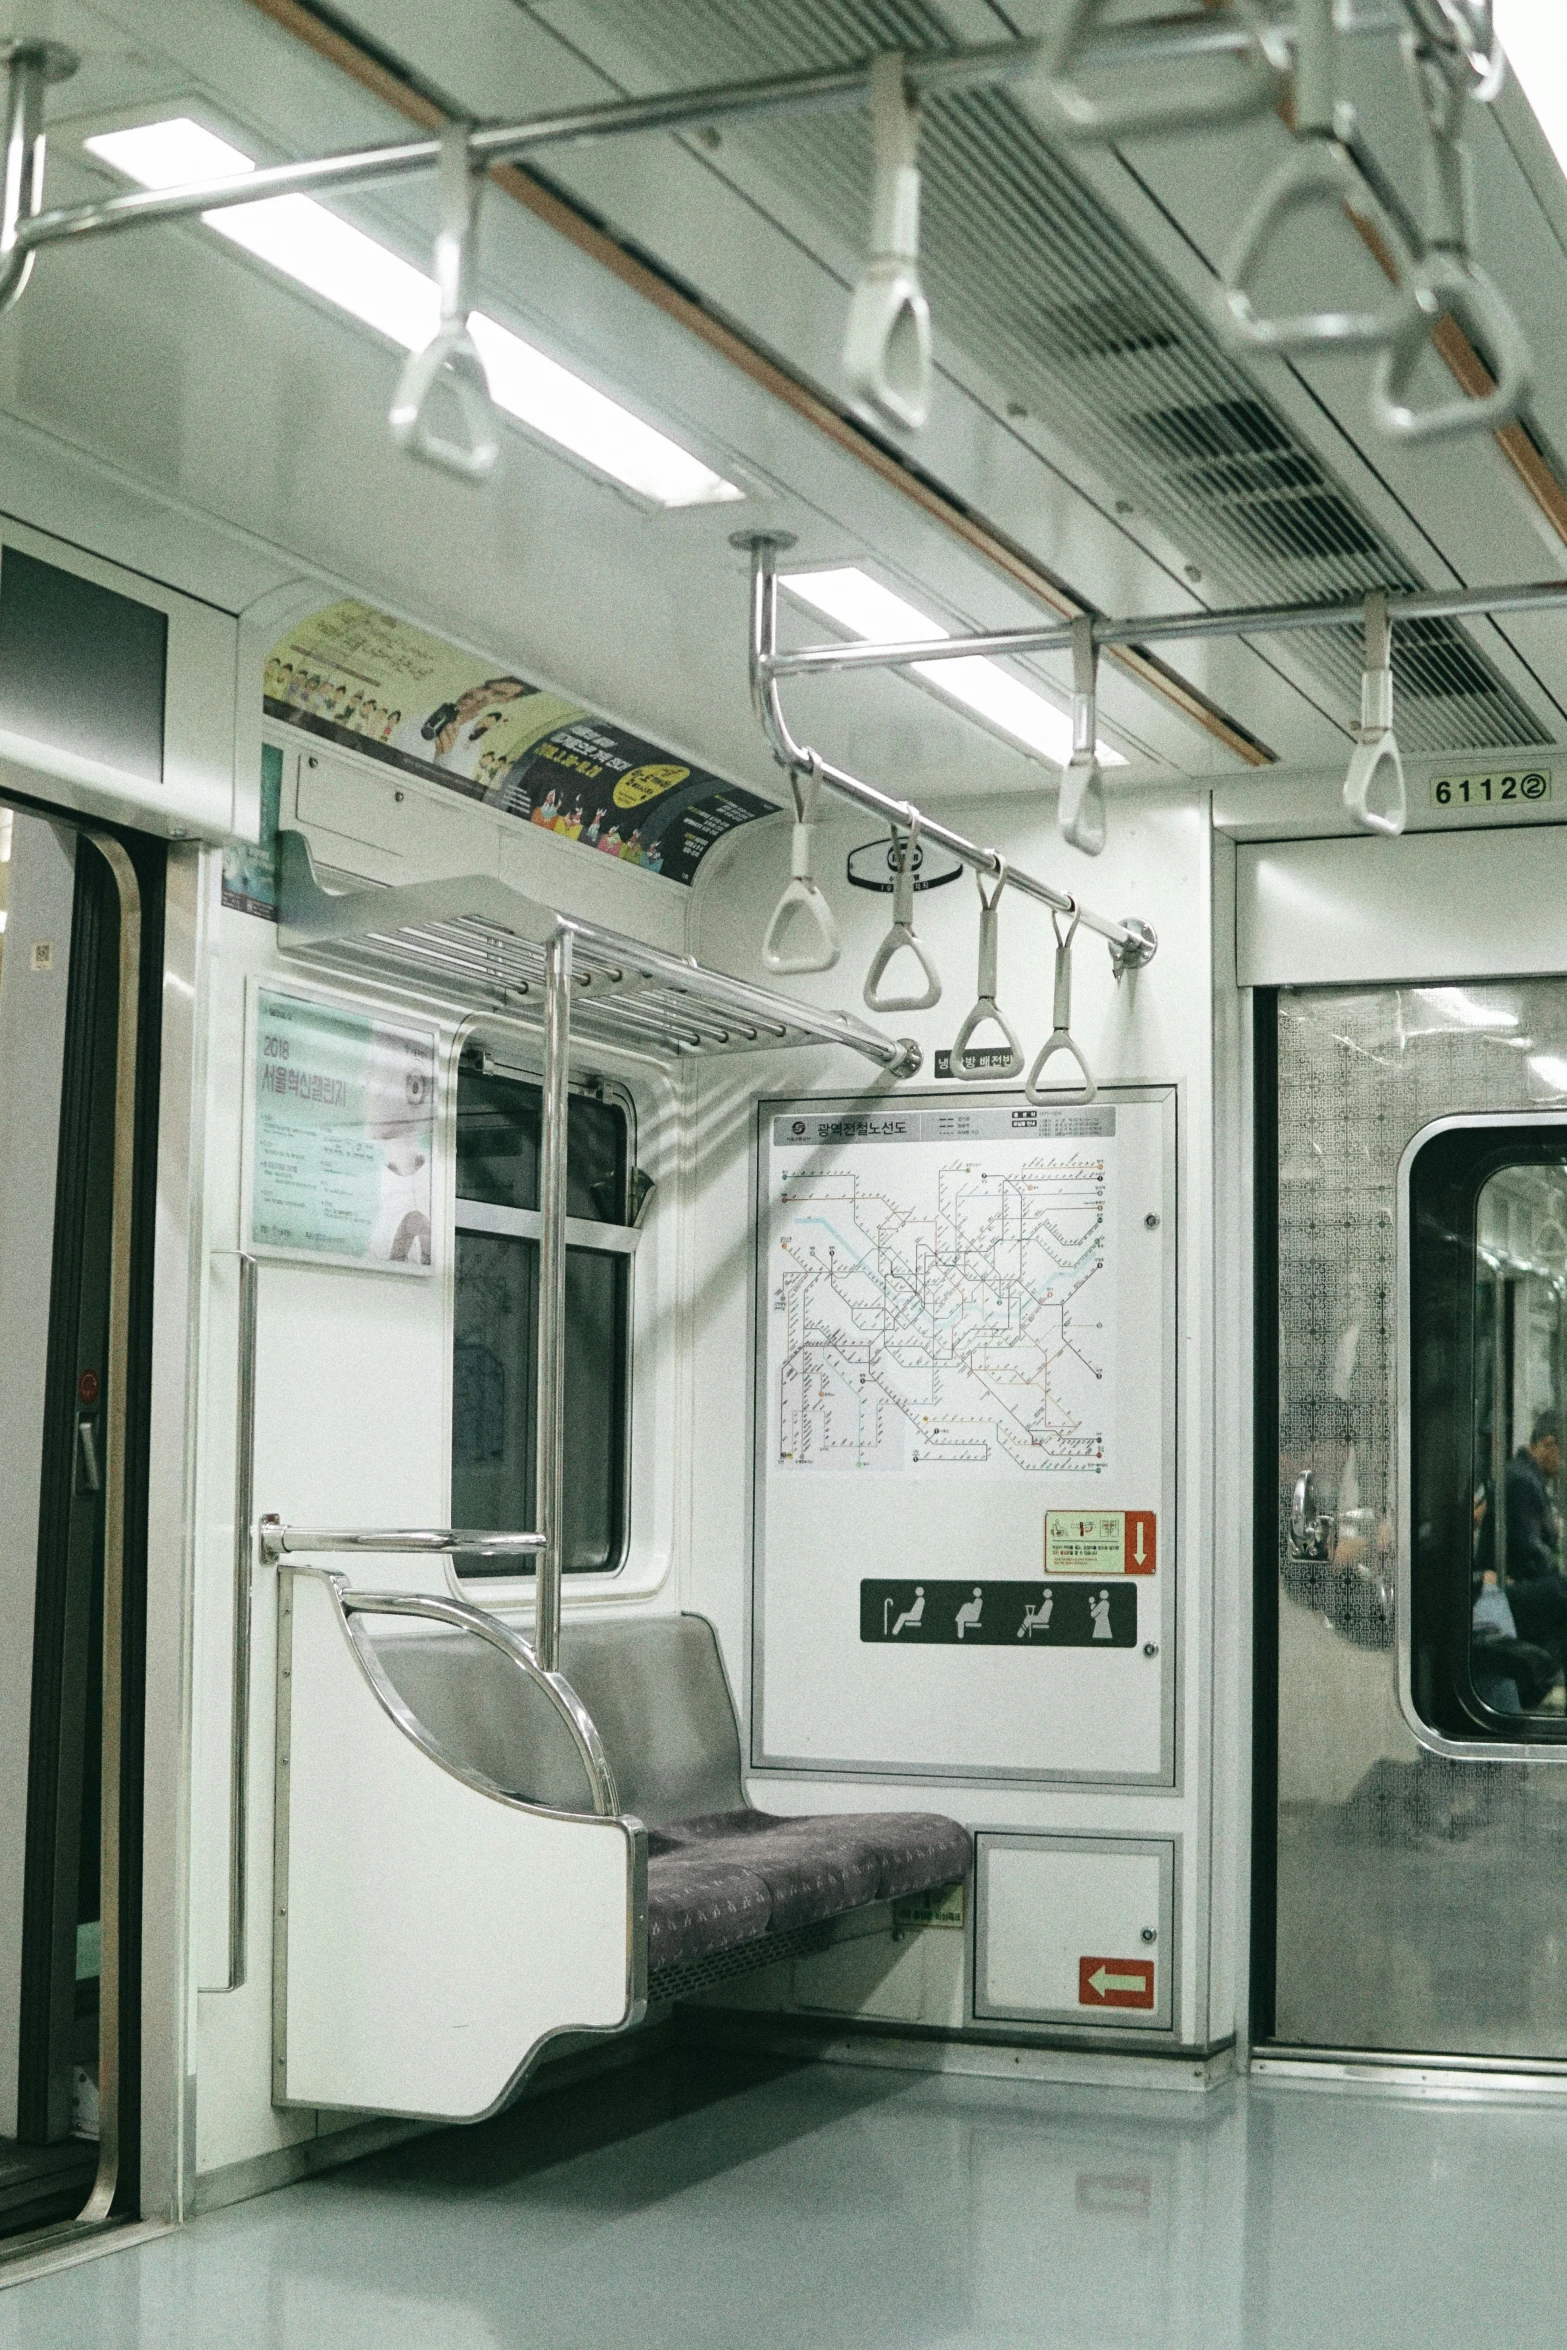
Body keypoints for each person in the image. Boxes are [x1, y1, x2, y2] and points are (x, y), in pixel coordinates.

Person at [1502, 1414, 1567, 1677]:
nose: (1562, 1465)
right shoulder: (1522, 1480)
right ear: (1548, 1444)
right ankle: (1541, 1675)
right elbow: (1531, 1552)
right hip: (1513, 1586)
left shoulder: (1526, 1476)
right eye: (1563, 1456)